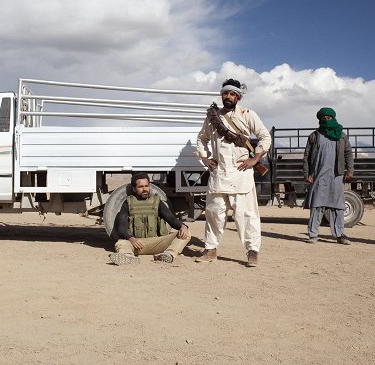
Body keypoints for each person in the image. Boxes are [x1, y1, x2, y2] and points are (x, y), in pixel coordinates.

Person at [195, 78, 271, 267]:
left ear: (238, 96)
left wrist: (255, 160)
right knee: (214, 214)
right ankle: (211, 250)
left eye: (232, 94)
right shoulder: (212, 117)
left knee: (246, 216)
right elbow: (201, 139)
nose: (228, 97)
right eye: (225, 93)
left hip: (241, 173)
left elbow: (264, 137)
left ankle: (252, 251)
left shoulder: (248, 114)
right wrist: (205, 158)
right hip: (219, 173)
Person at [109, 173, 191, 265]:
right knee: (121, 243)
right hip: (136, 244)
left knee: (186, 234)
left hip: (156, 243)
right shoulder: (127, 203)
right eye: (140, 187)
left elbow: (172, 220)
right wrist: (132, 239)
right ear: (134, 189)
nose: (144, 189)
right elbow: (122, 228)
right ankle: (128, 256)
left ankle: (168, 254)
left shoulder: (157, 202)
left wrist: (183, 226)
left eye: (146, 186)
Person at [302, 107, 354, 244]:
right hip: (318, 175)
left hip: (337, 175)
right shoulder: (314, 135)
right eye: (323, 118)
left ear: (333, 118)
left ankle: (340, 234)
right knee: (317, 205)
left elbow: (348, 153)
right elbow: (307, 156)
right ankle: (313, 234)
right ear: (319, 120)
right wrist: (306, 173)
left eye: (328, 117)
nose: (326, 120)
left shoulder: (341, 135)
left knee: (338, 206)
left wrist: (350, 170)